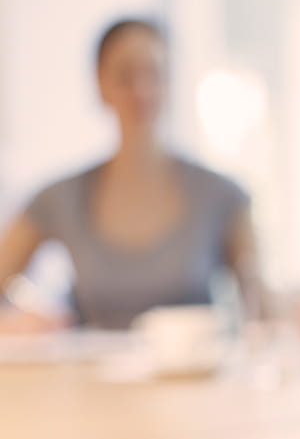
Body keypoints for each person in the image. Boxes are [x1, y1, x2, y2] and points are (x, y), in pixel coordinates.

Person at [0, 18, 265, 332]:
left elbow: (263, 310)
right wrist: (16, 323)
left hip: (195, 380)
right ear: (100, 83)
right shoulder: (59, 198)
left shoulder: (223, 195)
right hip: (88, 380)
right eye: (125, 76)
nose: (141, 90)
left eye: (155, 73)